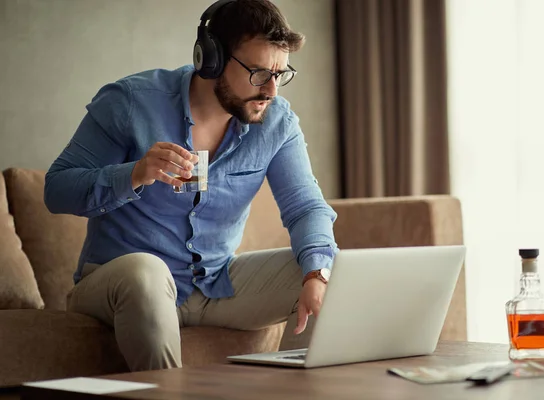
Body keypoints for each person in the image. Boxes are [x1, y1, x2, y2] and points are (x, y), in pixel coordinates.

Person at [44, 0, 338, 372]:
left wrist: (316, 273)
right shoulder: (131, 102)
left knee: (331, 268)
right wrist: (134, 173)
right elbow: (56, 190)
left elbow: (306, 207)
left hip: (214, 284)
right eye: (259, 73)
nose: (271, 91)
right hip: (123, 284)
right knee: (146, 272)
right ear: (210, 59)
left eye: (280, 73)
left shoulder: (277, 121)